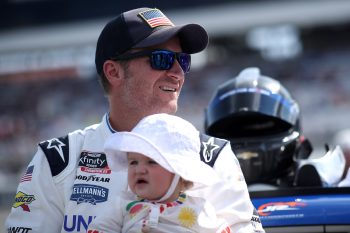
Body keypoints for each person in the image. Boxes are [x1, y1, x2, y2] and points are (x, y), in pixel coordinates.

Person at [5, 7, 262, 233]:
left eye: (182, 61)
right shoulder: (57, 159)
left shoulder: (213, 156)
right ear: (113, 72)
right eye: (160, 59)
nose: (177, 72)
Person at [87, 113, 250, 233]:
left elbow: (220, 229)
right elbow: (100, 229)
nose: (139, 169)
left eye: (152, 162)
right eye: (133, 162)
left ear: (180, 172)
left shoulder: (197, 208)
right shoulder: (123, 205)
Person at [204, 67, 310, 189]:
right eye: (236, 129)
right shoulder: (194, 194)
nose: (249, 135)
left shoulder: (323, 184)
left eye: (262, 126)